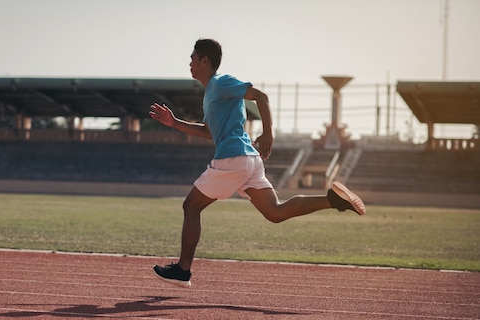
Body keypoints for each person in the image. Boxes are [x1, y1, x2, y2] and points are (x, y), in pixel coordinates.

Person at [149, 38, 365, 288]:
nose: (189, 62)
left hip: (234, 158)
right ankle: (334, 199)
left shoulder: (221, 82)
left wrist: (269, 132)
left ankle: (183, 270)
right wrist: (175, 123)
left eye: (193, 58)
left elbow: (260, 96)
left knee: (191, 207)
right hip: (247, 159)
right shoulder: (211, 94)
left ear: (205, 61)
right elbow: (210, 131)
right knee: (275, 212)